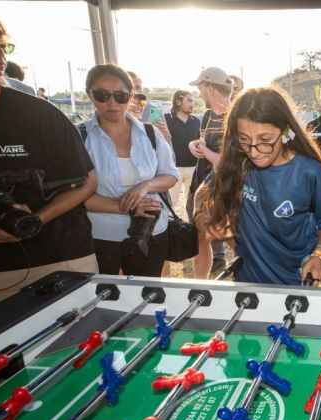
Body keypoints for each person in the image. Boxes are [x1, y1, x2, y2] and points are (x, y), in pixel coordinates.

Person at [0, 17, 98, 303]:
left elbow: (87, 182)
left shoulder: (39, 115)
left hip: (59, 260)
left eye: (1, 47)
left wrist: (36, 219)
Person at [198, 87, 321, 285]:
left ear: (286, 131)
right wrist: (206, 219)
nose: (254, 151)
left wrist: (319, 254)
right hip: (247, 282)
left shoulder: (310, 172)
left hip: (297, 283)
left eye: (265, 140)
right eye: (244, 139)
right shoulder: (238, 162)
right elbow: (202, 194)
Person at [81, 64, 179, 277]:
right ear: (89, 94)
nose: (112, 103)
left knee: (148, 295)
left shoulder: (151, 134)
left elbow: (171, 175)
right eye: (102, 95)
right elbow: (75, 195)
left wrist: (146, 185)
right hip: (101, 237)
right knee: (104, 301)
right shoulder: (80, 138)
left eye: (120, 96)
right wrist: (125, 206)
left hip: (151, 232)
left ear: (131, 95)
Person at [187, 66, 232, 279]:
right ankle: (200, 283)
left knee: (232, 236)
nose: (199, 93)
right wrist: (194, 146)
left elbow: (227, 162)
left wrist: (205, 151)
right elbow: (203, 144)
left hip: (224, 185)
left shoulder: (233, 117)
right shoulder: (206, 115)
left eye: (201, 88)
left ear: (210, 87)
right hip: (202, 183)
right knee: (200, 237)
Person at [164, 90, 200, 220]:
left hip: (193, 169)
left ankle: (189, 233)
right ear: (178, 101)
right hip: (173, 169)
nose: (193, 104)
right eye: (189, 100)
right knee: (170, 204)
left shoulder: (196, 121)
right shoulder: (166, 119)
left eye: (193, 101)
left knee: (191, 205)